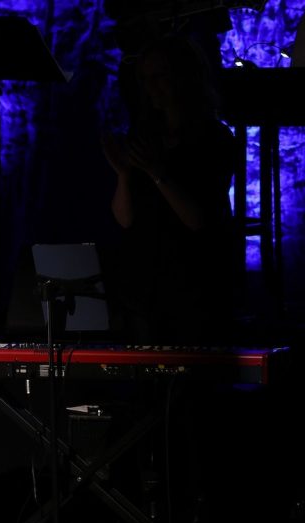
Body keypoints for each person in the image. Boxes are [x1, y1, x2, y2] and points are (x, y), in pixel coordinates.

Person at [101, 33, 239, 345]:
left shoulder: (214, 139)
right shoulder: (146, 136)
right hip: (145, 289)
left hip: (195, 287)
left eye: (159, 76)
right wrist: (123, 175)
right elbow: (125, 220)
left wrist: (159, 174)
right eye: (145, 79)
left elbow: (198, 220)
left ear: (183, 77)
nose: (151, 88)